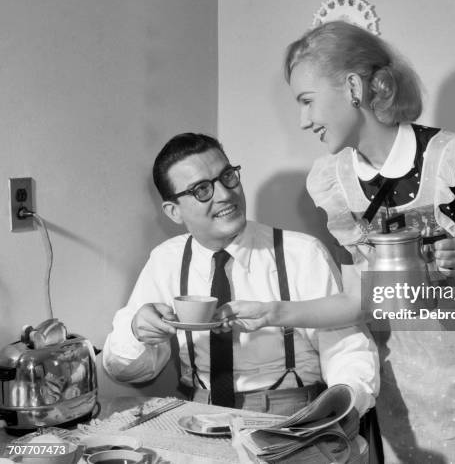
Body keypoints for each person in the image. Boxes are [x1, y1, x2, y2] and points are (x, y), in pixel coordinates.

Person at [220, 21, 455, 463]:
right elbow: (359, 300)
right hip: (399, 383)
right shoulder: (336, 182)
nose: (303, 120)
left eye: (307, 101)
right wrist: (274, 312)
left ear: (353, 86)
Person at [102, 132, 379, 420]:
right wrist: (137, 332)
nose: (224, 194)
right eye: (201, 190)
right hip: (197, 416)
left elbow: (349, 349)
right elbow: (126, 371)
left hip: (289, 416)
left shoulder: (302, 253)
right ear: (174, 211)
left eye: (228, 176)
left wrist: (343, 408)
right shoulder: (166, 260)